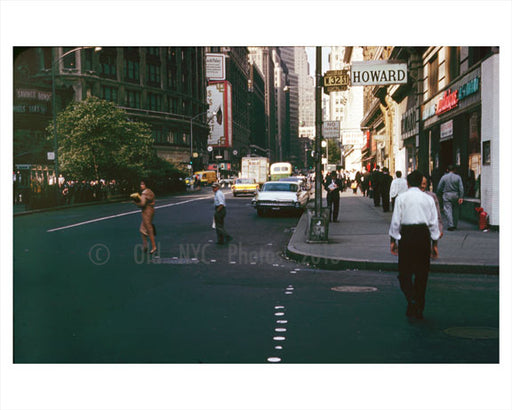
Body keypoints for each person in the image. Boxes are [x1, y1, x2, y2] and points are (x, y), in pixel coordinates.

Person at [389, 170, 441, 320]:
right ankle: (419, 305)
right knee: (422, 273)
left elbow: (396, 221)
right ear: (421, 183)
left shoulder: (401, 198)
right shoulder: (428, 199)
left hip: (407, 236)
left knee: (404, 272)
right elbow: (433, 223)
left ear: (408, 183)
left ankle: (411, 298)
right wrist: (435, 243)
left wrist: (393, 240)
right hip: (423, 236)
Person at [436, 164, 464, 231]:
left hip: (447, 195)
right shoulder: (458, 177)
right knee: (456, 210)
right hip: (456, 195)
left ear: (447, 170)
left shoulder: (444, 177)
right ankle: (455, 224)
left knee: (448, 210)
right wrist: (461, 196)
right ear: (454, 170)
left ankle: (450, 225)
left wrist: (438, 194)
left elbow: (439, 187)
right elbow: (461, 188)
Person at [132, 180, 157, 254]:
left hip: (146, 211)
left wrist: (135, 202)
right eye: (140, 184)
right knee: (142, 229)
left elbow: (142, 204)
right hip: (151, 210)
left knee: (149, 228)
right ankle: (145, 246)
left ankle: (154, 246)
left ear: (146, 185)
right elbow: (153, 201)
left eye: (142, 184)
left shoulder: (144, 193)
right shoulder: (150, 191)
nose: (141, 185)